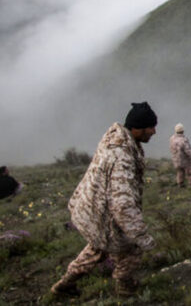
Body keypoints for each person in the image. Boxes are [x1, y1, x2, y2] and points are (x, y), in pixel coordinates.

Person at [51, 102, 158, 298]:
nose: (154, 131)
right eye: (150, 127)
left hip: (91, 209)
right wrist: (142, 237)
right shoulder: (122, 158)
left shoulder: (115, 139)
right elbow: (122, 204)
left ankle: (65, 285)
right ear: (137, 128)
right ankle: (126, 289)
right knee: (131, 249)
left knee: (97, 249)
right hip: (103, 214)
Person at [169, 123, 191, 187]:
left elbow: (171, 148)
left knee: (180, 172)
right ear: (183, 130)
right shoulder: (183, 140)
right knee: (190, 172)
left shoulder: (172, 139)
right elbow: (187, 150)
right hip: (185, 160)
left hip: (176, 159)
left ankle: (180, 184)